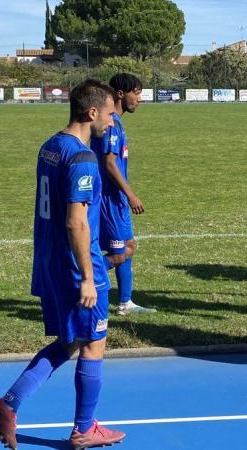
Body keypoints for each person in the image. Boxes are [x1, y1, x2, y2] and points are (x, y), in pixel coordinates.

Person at [0, 79, 126, 449]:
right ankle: (84, 428)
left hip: (49, 262)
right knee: (94, 342)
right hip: (76, 266)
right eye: (110, 114)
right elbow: (76, 221)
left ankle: (8, 404)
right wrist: (88, 279)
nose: (112, 123)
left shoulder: (50, 146)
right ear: (92, 112)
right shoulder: (82, 157)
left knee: (71, 341)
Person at [90, 73, 155, 315]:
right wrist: (130, 194)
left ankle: (125, 302)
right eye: (136, 93)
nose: (139, 99)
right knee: (122, 251)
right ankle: (81, 280)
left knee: (127, 246)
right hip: (110, 198)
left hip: (115, 198)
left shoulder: (116, 121)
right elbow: (109, 163)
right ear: (120, 94)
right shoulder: (112, 124)